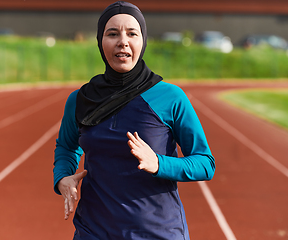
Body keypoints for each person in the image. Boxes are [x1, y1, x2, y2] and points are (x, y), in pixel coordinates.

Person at [53, 1, 215, 239]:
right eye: (112, 34)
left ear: (143, 41)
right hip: (94, 231)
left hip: (157, 232)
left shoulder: (171, 97)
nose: (123, 41)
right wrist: (62, 178)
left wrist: (160, 164)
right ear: (100, 41)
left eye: (132, 33)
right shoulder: (80, 99)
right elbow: (67, 146)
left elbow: (205, 163)